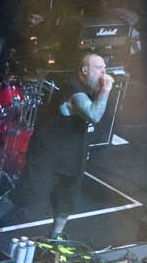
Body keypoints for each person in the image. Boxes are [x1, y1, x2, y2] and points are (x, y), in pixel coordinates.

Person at [35, 51, 113, 239]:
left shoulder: (90, 89)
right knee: (28, 193)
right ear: (85, 70)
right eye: (99, 68)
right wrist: (106, 90)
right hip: (50, 154)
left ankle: (56, 236)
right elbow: (94, 115)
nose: (104, 72)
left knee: (66, 201)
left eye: (105, 68)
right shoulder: (73, 88)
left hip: (73, 155)